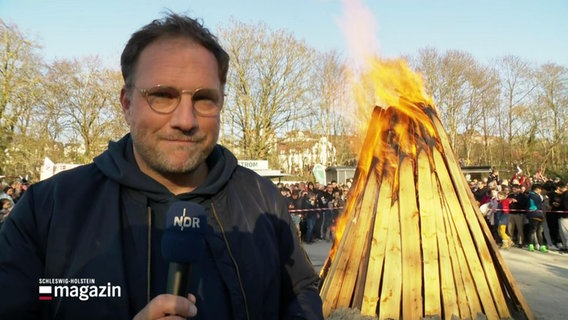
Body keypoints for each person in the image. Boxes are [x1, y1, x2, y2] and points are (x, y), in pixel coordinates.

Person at [0, 13, 323, 320]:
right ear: (127, 104)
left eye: (204, 99)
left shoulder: (262, 200)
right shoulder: (48, 211)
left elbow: (299, 290)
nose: (185, 120)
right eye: (163, 96)